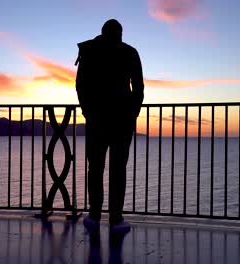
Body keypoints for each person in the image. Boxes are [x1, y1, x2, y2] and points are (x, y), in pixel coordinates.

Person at [75, 19, 144, 233]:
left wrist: (88, 112)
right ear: (120, 33)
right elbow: (139, 88)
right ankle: (115, 218)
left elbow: (81, 85)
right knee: (117, 170)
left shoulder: (89, 50)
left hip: (97, 119)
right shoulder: (129, 52)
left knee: (95, 168)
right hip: (121, 120)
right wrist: (132, 114)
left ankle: (95, 215)